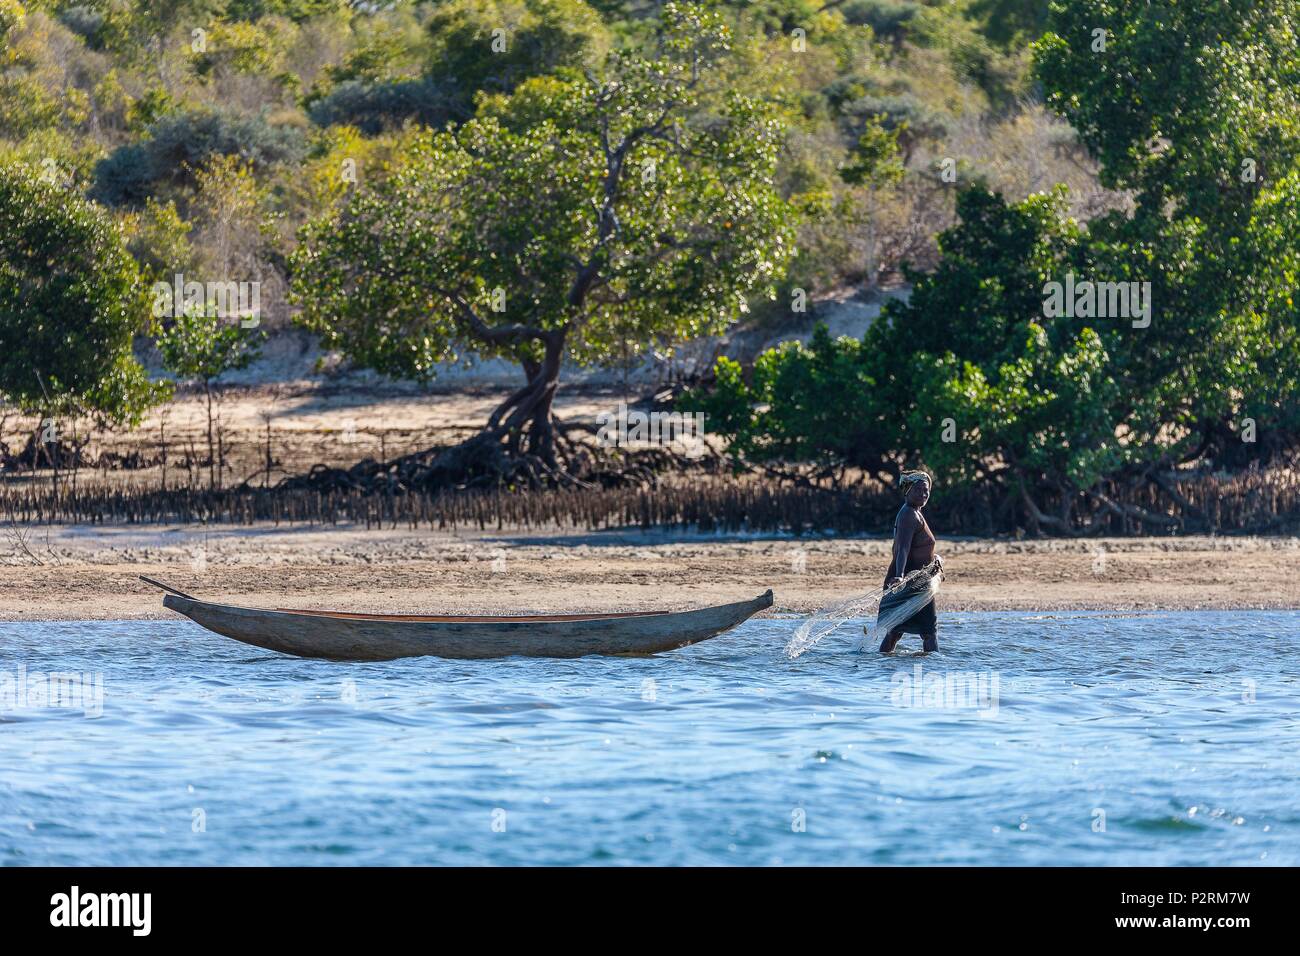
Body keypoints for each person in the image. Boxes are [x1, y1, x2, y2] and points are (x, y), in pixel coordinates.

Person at [879, 470, 940, 653]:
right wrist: (899, 576)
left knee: (895, 632)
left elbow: (916, 546)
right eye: (918, 490)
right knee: (929, 632)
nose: (923, 494)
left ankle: (882, 663)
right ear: (907, 491)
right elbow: (902, 548)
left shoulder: (914, 513)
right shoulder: (908, 515)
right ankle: (934, 668)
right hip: (911, 583)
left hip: (918, 580)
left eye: (926, 490)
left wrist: (934, 560)